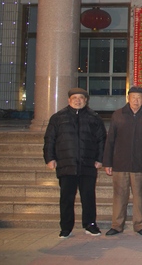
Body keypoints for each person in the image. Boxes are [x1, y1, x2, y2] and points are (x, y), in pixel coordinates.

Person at [43, 87, 107, 239]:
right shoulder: (58, 118)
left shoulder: (94, 118)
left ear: (86, 100)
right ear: (69, 100)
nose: (78, 101)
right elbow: (49, 139)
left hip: (88, 164)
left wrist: (100, 159)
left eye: (81, 98)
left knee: (88, 197)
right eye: (75, 98)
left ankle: (90, 224)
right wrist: (50, 158)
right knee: (66, 198)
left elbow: (102, 140)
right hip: (66, 163)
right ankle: (66, 227)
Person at [103, 86, 142, 236]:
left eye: (139, 97)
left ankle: (140, 224)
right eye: (133, 97)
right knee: (119, 196)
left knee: (141, 196)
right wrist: (107, 162)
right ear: (128, 98)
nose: (136, 100)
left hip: (141, 163)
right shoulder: (118, 115)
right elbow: (110, 140)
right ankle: (117, 225)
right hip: (120, 163)